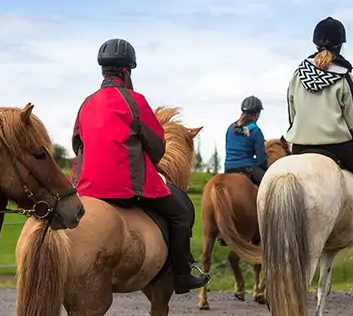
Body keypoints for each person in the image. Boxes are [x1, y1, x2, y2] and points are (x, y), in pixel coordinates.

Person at [70, 38, 210, 294]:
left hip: (86, 187)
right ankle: (182, 275)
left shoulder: (87, 103)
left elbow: (76, 143)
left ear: (103, 71)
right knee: (180, 215)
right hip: (127, 187)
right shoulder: (135, 101)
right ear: (127, 71)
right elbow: (157, 145)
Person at [285, 16, 353, 260]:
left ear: (315, 43)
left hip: (300, 146)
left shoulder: (297, 74)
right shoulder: (343, 76)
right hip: (337, 146)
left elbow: (291, 111)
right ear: (340, 45)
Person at [223, 96, 268, 186]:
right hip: (248, 168)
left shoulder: (230, 128)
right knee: (270, 184)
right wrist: (267, 168)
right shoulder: (255, 131)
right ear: (257, 113)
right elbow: (261, 159)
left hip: (228, 168)